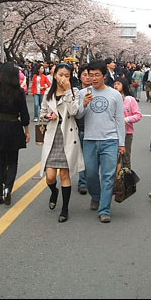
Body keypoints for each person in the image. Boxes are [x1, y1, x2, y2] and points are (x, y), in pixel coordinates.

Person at [77, 60, 126, 223]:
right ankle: (96, 196)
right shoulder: (83, 93)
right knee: (90, 174)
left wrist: (122, 143)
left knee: (108, 175)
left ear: (104, 76)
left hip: (110, 140)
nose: (94, 78)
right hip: (90, 139)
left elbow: (120, 119)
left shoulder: (115, 94)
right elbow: (78, 116)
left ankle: (104, 209)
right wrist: (84, 104)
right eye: (91, 75)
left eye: (97, 75)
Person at [39, 63, 84, 223]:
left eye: (67, 75)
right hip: (52, 136)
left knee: (64, 175)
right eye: (60, 74)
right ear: (54, 75)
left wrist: (67, 91)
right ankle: (53, 192)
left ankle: (65, 209)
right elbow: (42, 113)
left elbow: (74, 112)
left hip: (68, 136)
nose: (63, 78)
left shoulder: (74, 92)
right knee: (50, 176)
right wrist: (47, 116)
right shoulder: (48, 93)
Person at [0, 62, 30, 205]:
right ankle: (8, 188)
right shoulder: (19, 92)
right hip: (14, 126)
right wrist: (27, 131)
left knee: (0, 161)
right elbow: (24, 114)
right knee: (12, 161)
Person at [75, 64, 91, 193]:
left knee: (92, 159)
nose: (87, 78)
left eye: (89, 75)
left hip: (94, 129)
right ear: (80, 77)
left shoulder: (97, 91)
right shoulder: (76, 92)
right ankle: (82, 182)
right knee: (82, 157)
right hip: (80, 128)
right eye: (84, 75)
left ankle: (92, 180)